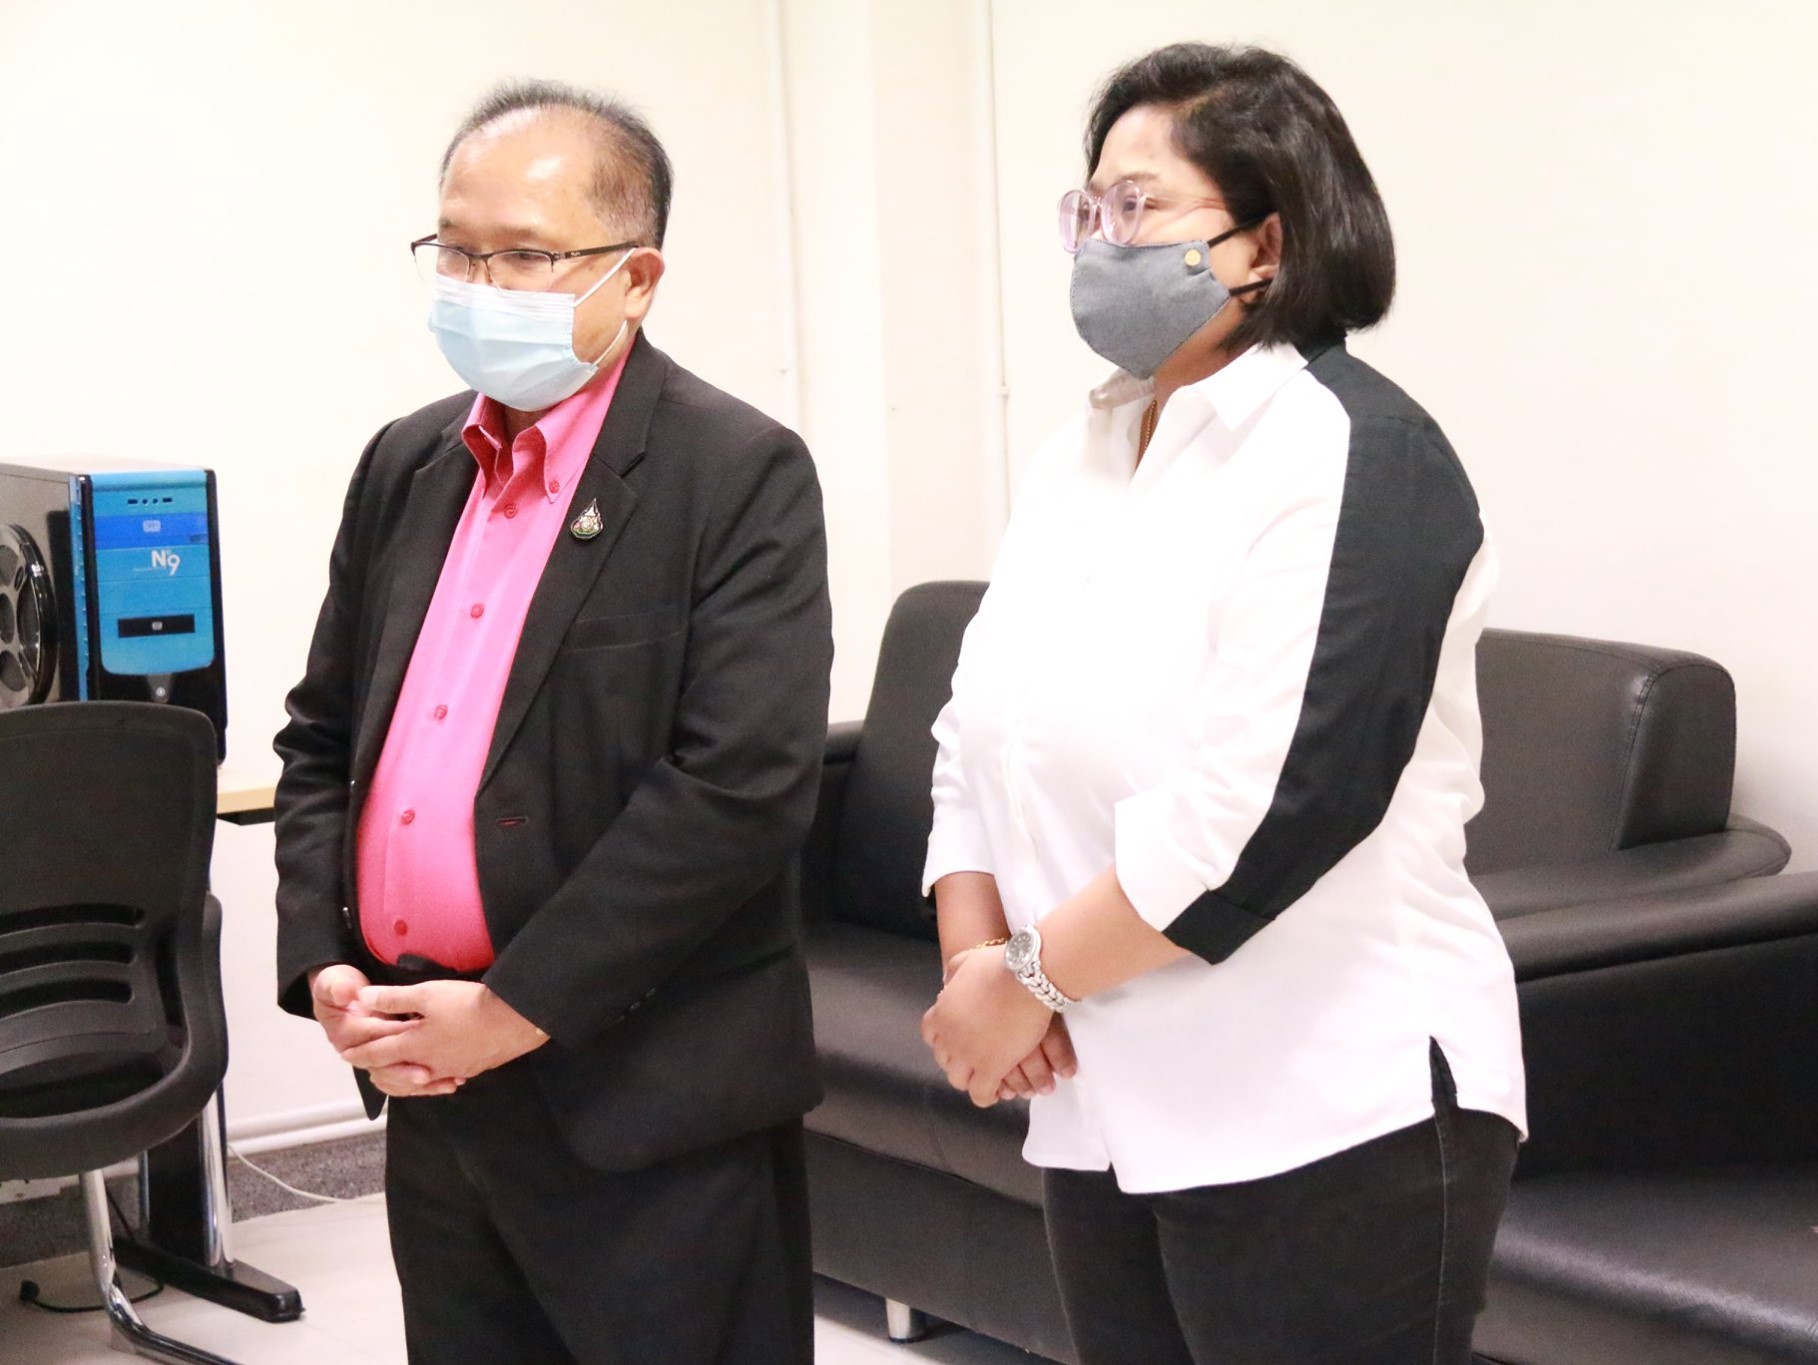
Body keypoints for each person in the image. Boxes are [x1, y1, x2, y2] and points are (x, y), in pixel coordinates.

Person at [918, 43, 1525, 1365]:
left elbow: (1265, 805)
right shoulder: (1083, 449)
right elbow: (978, 731)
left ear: (1266, 242)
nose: (1100, 239)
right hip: (1103, 1092)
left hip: (1321, 1104)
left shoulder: (1354, 451)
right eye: (1088, 207)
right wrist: (976, 962)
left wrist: (1025, 978)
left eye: (1138, 205)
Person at [272, 80, 831, 1365]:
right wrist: (327, 965)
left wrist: (516, 1007)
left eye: (524, 256)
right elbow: (322, 739)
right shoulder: (407, 463)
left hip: (640, 1096)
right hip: (431, 1078)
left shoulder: (732, 471)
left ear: (635, 280)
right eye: (457, 251)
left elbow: (737, 786)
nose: (480, 286)